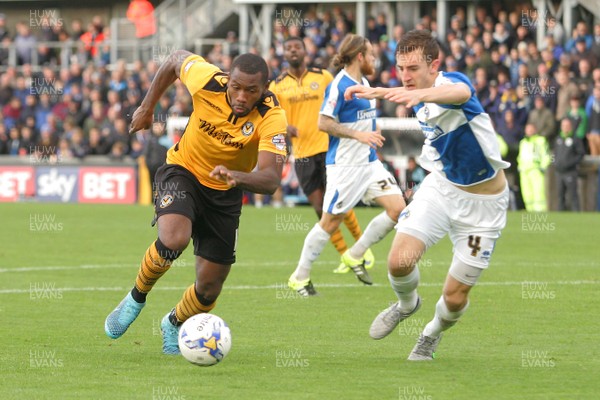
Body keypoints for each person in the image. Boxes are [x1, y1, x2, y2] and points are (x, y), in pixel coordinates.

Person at [104, 50, 288, 354]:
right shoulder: (207, 80)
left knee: (209, 287)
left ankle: (173, 322)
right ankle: (135, 298)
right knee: (174, 238)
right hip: (183, 171)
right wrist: (147, 107)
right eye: (236, 87)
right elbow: (175, 60)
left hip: (226, 192)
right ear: (228, 80)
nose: (241, 96)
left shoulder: (272, 116)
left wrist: (236, 177)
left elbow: (270, 179)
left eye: (251, 90)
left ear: (264, 89)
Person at [345, 30, 510, 361]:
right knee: (398, 262)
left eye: (414, 68)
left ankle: (431, 333)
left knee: (454, 297)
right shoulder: (413, 93)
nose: (405, 76)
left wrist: (417, 95)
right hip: (442, 189)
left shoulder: (454, 86)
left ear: (435, 65)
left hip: (484, 207)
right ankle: (407, 304)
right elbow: (412, 93)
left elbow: (461, 92)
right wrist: (386, 91)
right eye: (401, 68)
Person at [287, 34, 405, 297]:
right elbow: (324, 122)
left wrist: (372, 130)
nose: (375, 59)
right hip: (346, 167)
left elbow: (362, 118)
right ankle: (300, 276)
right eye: (372, 54)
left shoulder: (364, 83)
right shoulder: (339, 84)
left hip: (370, 164)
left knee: (398, 210)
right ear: (360, 56)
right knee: (329, 223)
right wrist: (359, 135)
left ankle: (356, 253)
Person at [269, 36, 374, 275]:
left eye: (297, 47)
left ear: (305, 52)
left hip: (328, 149)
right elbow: (270, 115)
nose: (293, 50)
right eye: (288, 48)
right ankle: (346, 256)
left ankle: (362, 248)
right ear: (284, 54)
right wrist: (284, 128)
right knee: (320, 208)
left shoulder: (323, 77)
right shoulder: (277, 85)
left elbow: (340, 104)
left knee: (339, 203)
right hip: (302, 154)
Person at [517, 123, 552, 212]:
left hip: (535, 170)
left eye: (531, 129)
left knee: (538, 191)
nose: (529, 131)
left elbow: (546, 155)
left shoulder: (540, 141)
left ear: (535, 130)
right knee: (527, 193)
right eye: (527, 129)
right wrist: (520, 166)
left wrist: (543, 167)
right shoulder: (523, 142)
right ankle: (530, 211)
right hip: (524, 171)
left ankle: (540, 212)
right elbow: (520, 156)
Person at [554, 118, 585, 211]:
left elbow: (581, 154)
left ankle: (577, 215)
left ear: (570, 127)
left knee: (573, 195)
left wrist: (571, 163)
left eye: (567, 126)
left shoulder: (575, 139)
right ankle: (560, 216)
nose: (565, 128)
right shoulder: (558, 139)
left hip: (570, 172)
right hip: (559, 172)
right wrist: (554, 162)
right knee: (560, 195)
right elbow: (554, 153)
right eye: (563, 126)